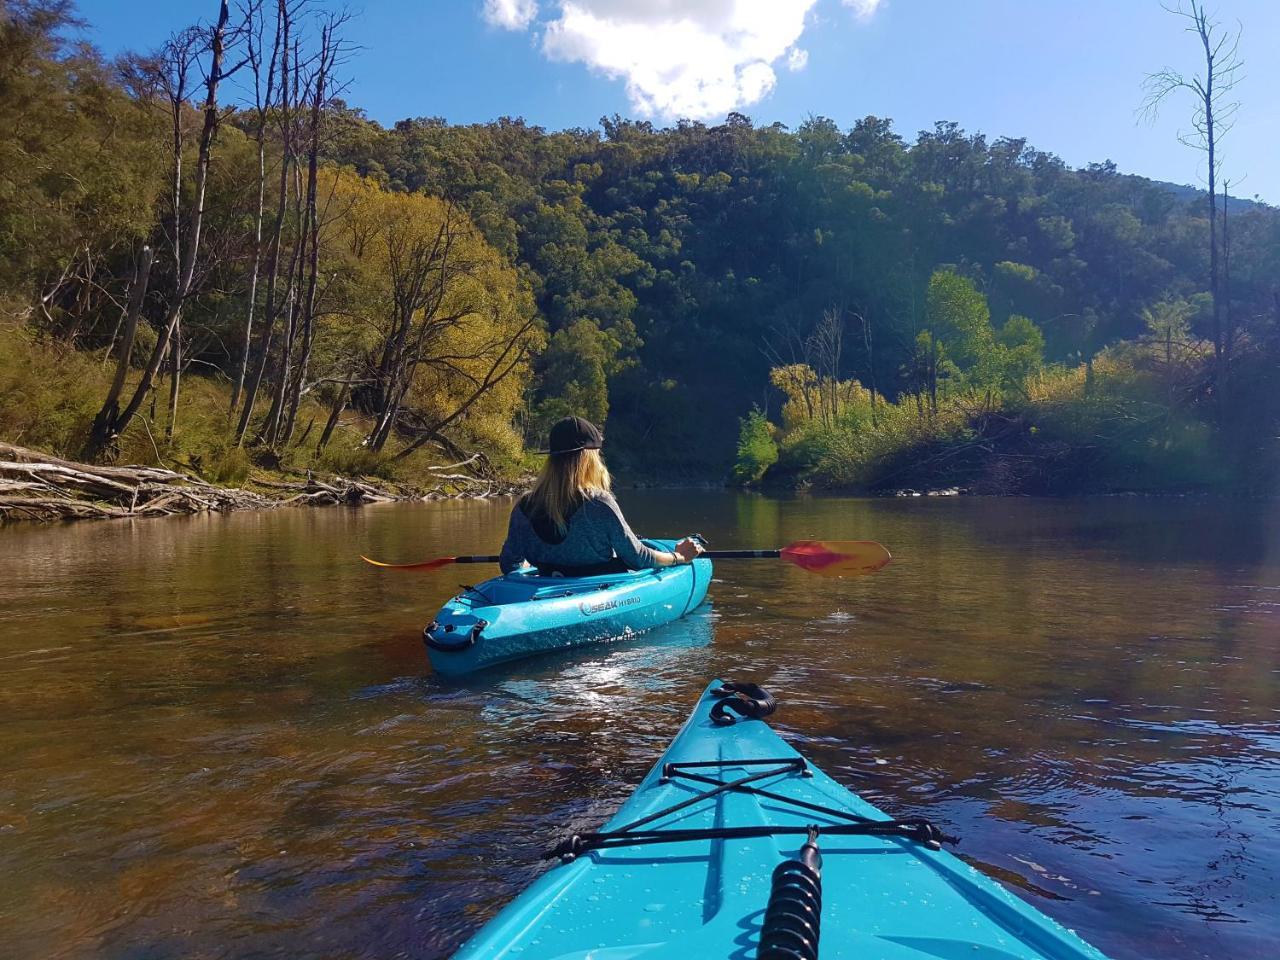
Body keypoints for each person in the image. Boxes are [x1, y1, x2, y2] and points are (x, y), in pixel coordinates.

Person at [499, 416, 704, 576]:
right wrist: (678, 557)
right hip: (597, 594)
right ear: (589, 459)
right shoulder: (598, 502)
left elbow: (509, 564)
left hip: (546, 590)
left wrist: (540, 568)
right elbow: (638, 558)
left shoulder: (525, 506)